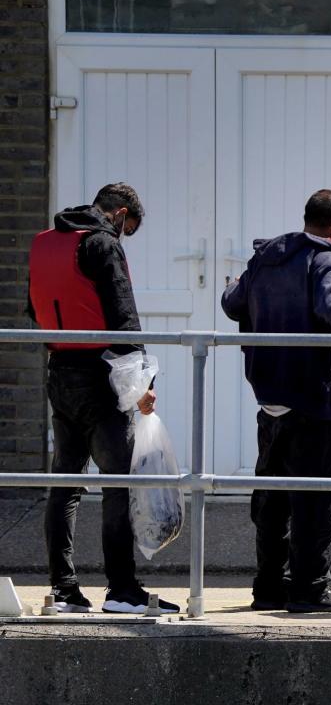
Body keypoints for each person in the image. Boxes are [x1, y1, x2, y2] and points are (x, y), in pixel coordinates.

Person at [221, 189, 331, 613]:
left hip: (269, 393)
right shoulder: (330, 256)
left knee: (272, 496)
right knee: (318, 497)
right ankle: (310, 589)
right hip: (313, 396)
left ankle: (269, 585)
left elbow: (232, 304)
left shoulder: (267, 256)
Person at [28, 183, 177, 615]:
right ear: (120, 214)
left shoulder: (43, 243)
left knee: (64, 483)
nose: (124, 235)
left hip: (59, 371)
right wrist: (143, 386)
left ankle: (64, 590)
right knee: (118, 483)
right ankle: (122, 591)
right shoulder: (102, 244)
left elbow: (31, 309)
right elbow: (123, 317)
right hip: (102, 375)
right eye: (127, 227)